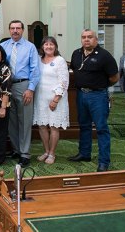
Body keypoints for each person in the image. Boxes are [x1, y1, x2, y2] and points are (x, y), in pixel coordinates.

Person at [69, 29, 119, 172]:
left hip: (98, 96)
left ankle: (104, 161)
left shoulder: (104, 56)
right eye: (84, 37)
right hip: (80, 95)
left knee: (101, 128)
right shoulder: (76, 53)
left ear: (95, 40)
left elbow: (114, 77)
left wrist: (101, 86)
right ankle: (84, 153)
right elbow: (75, 70)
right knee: (84, 125)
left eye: (90, 37)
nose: (86, 39)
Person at [0, 20, 40, 167]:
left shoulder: (30, 47)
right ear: (9, 30)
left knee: (24, 121)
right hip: (7, 87)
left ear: (22, 30)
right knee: (11, 121)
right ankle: (16, 149)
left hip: (23, 85)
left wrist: (30, 89)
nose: (15, 31)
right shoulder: (3, 46)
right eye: (12, 28)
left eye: (18, 28)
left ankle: (25, 153)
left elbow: (35, 69)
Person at [33, 36, 69, 165]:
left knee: (54, 126)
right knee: (42, 126)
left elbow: (64, 82)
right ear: (42, 46)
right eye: (46, 44)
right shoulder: (38, 60)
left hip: (55, 99)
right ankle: (46, 151)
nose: (48, 47)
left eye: (51, 44)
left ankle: (52, 153)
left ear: (55, 46)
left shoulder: (60, 61)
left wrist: (56, 99)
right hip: (40, 98)